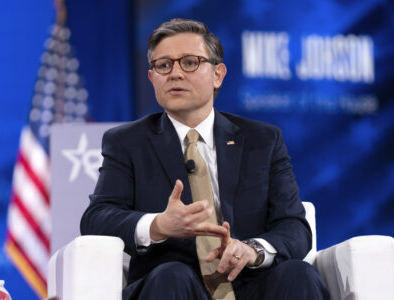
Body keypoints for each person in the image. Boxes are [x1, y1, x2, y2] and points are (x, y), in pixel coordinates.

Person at [80, 18, 329, 300]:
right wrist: (159, 225)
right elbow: (97, 218)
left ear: (217, 75)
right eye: (163, 65)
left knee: (298, 274)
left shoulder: (262, 140)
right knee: (171, 275)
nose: (175, 73)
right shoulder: (127, 142)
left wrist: (252, 250)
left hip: (251, 284)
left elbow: (294, 226)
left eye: (189, 62)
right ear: (152, 78)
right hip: (173, 285)